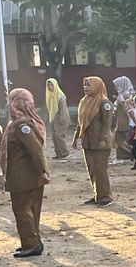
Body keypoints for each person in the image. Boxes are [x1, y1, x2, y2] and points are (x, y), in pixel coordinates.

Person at [1, 88, 49, 257]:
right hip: (28, 175)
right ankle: (33, 241)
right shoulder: (19, 124)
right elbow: (13, 146)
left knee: (23, 210)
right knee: (31, 209)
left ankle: (31, 244)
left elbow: (35, 150)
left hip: (24, 176)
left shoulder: (21, 125)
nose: (9, 105)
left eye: (12, 101)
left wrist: (42, 171)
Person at [73, 75, 114, 206]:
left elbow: (107, 123)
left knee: (100, 169)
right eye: (85, 85)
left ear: (97, 86)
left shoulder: (104, 102)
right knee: (91, 169)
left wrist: (102, 138)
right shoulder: (84, 102)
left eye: (89, 85)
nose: (85, 88)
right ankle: (97, 195)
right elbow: (80, 122)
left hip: (100, 142)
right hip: (88, 141)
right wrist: (76, 137)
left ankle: (105, 196)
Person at [44, 77, 71, 160]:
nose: (50, 87)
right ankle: (58, 153)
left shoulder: (60, 95)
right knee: (54, 136)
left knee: (59, 136)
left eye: (51, 85)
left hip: (61, 118)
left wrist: (61, 119)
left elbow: (62, 109)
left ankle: (64, 153)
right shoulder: (49, 95)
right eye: (48, 85)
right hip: (54, 118)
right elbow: (49, 109)